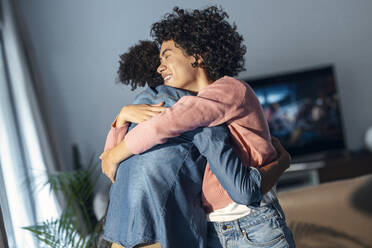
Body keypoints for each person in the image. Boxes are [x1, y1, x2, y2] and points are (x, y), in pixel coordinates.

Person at [101, 6, 295, 248]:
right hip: (215, 227)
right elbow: (114, 168)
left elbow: (157, 128)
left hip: (253, 223)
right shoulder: (186, 105)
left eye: (167, 55)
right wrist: (121, 118)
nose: (160, 67)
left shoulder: (230, 89)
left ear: (197, 56)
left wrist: (113, 155)